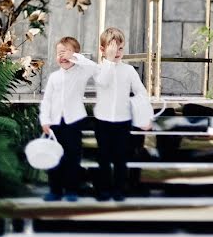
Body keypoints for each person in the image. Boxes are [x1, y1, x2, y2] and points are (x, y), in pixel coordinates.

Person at [71, 27, 150, 201]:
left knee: (121, 157)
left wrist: (142, 113)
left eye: (120, 49)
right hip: (103, 121)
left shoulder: (129, 71)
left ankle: (119, 190)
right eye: (113, 49)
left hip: (123, 121)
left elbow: (141, 92)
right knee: (104, 157)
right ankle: (103, 190)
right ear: (102, 49)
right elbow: (104, 82)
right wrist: (109, 60)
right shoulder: (99, 69)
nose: (117, 53)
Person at [38, 36, 97, 202]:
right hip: (55, 123)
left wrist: (76, 57)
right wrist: (45, 121)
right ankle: (55, 190)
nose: (62, 56)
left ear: (75, 54)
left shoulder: (81, 72)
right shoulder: (54, 77)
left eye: (66, 52)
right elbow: (47, 100)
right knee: (54, 157)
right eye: (59, 53)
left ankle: (71, 189)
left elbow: (94, 67)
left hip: (74, 121)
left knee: (72, 157)